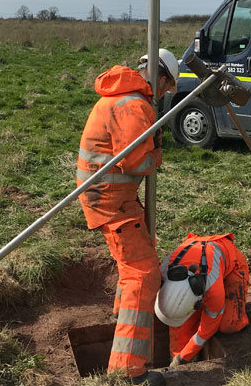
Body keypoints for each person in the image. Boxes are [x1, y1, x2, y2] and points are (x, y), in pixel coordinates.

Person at [76, 49, 178, 385]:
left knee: (137, 257)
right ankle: (128, 371)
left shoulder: (125, 96)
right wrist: (156, 157)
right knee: (143, 273)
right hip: (110, 199)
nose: (163, 95)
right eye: (165, 88)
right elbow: (136, 163)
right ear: (160, 78)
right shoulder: (135, 104)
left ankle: (122, 319)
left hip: (112, 195)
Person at [155, 233, 250, 367]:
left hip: (231, 262)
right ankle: (177, 360)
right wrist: (176, 359)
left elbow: (206, 330)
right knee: (179, 327)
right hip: (196, 248)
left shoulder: (212, 289)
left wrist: (183, 358)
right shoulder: (162, 273)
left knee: (230, 324)